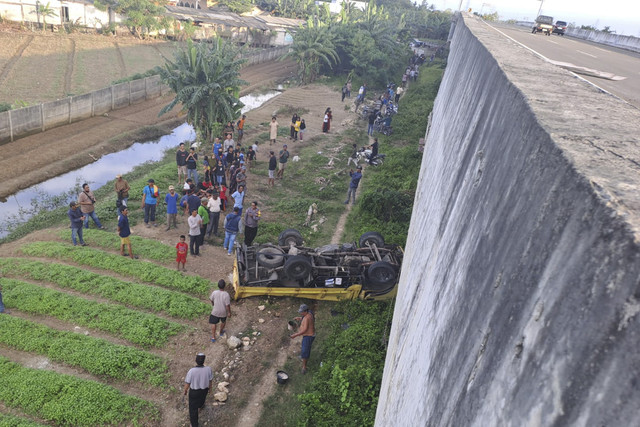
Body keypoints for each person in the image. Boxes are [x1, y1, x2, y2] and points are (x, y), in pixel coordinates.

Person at [184, 353, 213, 427]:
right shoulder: (208, 369)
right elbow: (210, 381)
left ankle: (194, 425)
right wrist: (210, 389)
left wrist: (185, 391)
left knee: (193, 409)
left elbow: (187, 383)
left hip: (194, 392)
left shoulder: (192, 371)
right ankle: (200, 406)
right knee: (202, 399)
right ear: (203, 361)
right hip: (204, 390)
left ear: (196, 360)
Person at [290, 304, 315, 374]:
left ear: (305, 311)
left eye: (301, 312)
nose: (300, 313)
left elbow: (304, 330)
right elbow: (306, 317)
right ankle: (303, 357)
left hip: (308, 336)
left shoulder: (307, 318)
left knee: (305, 351)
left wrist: (295, 335)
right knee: (305, 349)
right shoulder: (310, 313)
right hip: (309, 335)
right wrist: (300, 318)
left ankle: (304, 367)